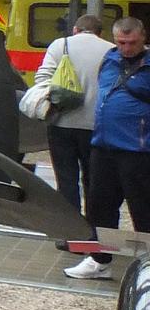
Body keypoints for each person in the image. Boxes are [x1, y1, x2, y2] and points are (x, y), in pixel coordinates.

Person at [68, 15, 150, 279]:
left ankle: (147, 263)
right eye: (122, 42)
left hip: (138, 151)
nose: (127, 48)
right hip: (103, 146)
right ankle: (99, 259)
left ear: (143, 38)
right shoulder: (110, 60)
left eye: (132, 43)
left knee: (143, 208)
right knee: (99, 206)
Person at [39, 14, 111, 220]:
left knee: (66, 180)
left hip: (61, 122)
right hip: (95, 126)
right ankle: (92, 231)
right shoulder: (109, 50)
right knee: (93, 179)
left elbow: (42, 78)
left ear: (75, 30)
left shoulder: (59, 45)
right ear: (100, 32)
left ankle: (70, 232)